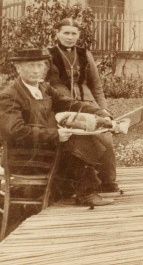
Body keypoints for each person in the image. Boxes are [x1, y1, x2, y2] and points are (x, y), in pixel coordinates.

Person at [0, 48, 116, 207]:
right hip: (24, 156)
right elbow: (15, 131)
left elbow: (69, 103)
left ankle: (82, 189)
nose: (36, 71)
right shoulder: (10, 95)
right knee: (76, 142)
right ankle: (85, 191)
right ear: (18, 68)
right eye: (31, 66)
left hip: (43, 148)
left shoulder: (44, 89)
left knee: (82, 136)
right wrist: (55, 135)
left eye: (40, 66)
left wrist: (100, 112)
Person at [47, 18, 120, 193]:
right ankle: (71, 185)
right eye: (66, 33)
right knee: (72, 140)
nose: (70, 37)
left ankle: (107, 181)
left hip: (87, 101)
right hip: (62, 104)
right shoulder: (48, 54)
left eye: (74, 33)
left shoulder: (85, 54)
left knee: (104, 137)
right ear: (57, 33)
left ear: (79, 35)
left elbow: (96, 85)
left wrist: (103, 109)